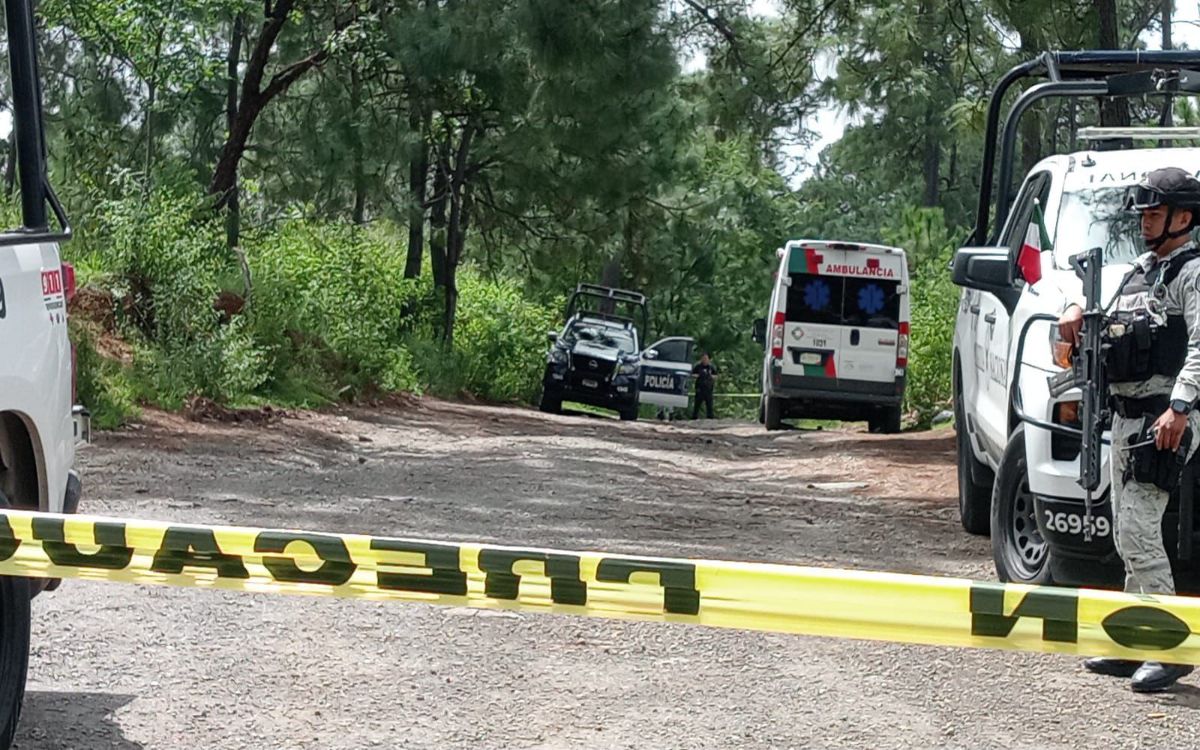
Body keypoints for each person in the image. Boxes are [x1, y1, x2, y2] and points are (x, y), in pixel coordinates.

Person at [1058, 166, 1200, 693]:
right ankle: (1132, 638)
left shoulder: (1192, 274)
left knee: (1140, 529)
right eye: (1143, 214)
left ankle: (1169, 647)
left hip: (1165, 415)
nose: (1145, 222)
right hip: (1126, 415)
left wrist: (1180, 407)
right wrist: (1074, 308)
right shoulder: (1141, 270)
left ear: (1184, 218)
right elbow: (1103, 317)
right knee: (1125, 531)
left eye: (1155, 213)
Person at [691, 352, 718, 419]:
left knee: (709, 405)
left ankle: (710, 417)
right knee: (697, 404)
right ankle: (694, 417)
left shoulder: (711, 367)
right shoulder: (698, 366)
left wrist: (711, 376)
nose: (705, 360)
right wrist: (698, 376)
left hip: (708, 389)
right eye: (703, 358)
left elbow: (716, 375)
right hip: (700, 388)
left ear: (708, 359)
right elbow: (692, 374)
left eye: (706, 358)